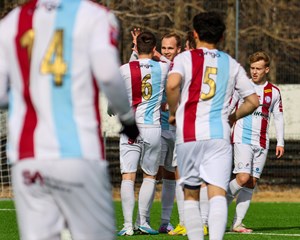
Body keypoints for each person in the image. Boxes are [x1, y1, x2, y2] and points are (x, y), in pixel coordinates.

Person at [0, 1, 139, 240]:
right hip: (79, 153)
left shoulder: (11, 21)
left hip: (28, 158)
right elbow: (107, 73)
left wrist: (32, 97)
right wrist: (127, 119)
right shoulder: (95, 15)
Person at [166, 11, 259, 240]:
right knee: (217, 193)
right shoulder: (231, 63)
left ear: (195, 34)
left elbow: (172, 85)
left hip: (189, 136)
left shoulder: (185, 58)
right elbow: (254, 101)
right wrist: (233, 117)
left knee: (191, 194)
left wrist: (172, 112)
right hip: (219, 136)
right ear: (223, 36)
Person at [117, 31, 170, 236]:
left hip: (131, 127)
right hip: (153, 128)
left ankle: (128, 225)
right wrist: (157, 54)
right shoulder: (163, 67)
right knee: (150, 176)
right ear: (154, 47)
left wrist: (135, 52)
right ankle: (144, 223)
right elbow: (171, 64)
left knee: (128, 177)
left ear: (136, 48)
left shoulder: (124, 69)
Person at [226, 51, 284, 233]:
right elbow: (228, 109)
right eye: (252, 68)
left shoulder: (273, 92)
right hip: (242, 138)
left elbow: (279, 117)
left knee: (250, 182)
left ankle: (237, 223)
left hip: (262, 142)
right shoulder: (241, 87)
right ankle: (215, 203)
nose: (255, 72)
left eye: (258, 68)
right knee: (242, 178)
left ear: (266, 69)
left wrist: (280, 142)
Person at [157, 32, 182, 234]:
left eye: (170, 48)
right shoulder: (157, 65)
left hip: (182, 130)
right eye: (163, 48)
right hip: (161, 129)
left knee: (180, 176)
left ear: (179, 49)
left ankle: (184, 221)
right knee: (161, 175)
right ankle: (163, 222)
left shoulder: (183, 66)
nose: (166, 52)